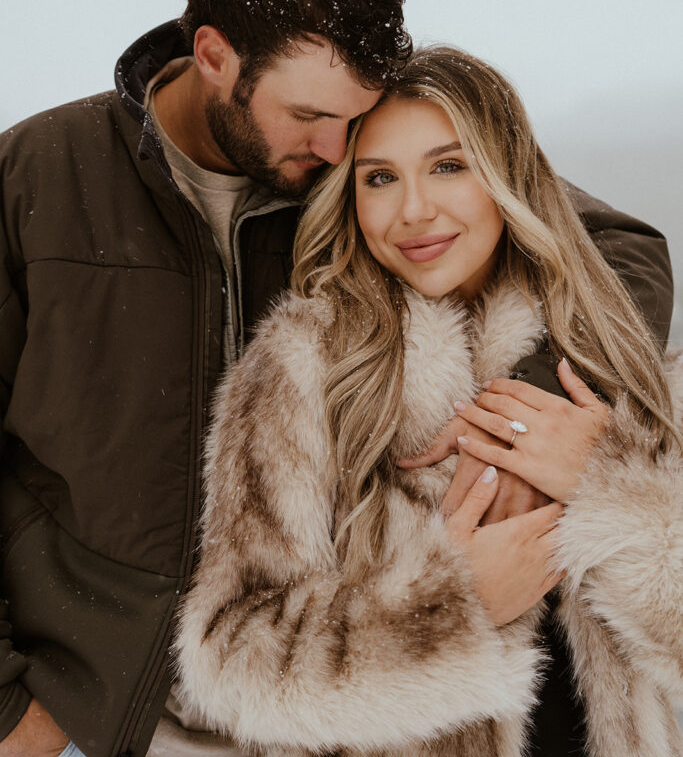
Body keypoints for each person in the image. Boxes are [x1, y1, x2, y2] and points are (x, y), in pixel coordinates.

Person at [0, 0, 673, 757]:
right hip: (102, 700)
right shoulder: (39, 179)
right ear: (213, 56)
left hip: (330, 701)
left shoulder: (369, 160)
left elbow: (613, 249)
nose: (337, 153)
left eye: (354, 125)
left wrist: (520, 418)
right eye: (311, 118)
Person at [175, 46, 682, 757]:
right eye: (379, 178)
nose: (413, 211)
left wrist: (608, 487)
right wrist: (451, 611)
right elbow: (230, 659)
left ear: (509, 180)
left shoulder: (629, 374)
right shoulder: (304, 367)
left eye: (448, 166)